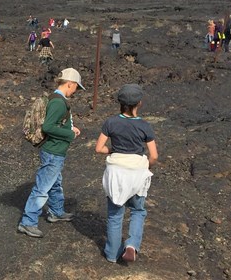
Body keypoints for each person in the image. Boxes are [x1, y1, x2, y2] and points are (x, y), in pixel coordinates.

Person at [17, 68, 85, 238]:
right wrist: (69, 134)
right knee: (42, 188)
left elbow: (56, 123)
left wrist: (70, 127)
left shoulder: (56, 99)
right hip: (53, 151)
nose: (76, 91)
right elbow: (48, 126)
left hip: (55, 151)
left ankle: (56, 211)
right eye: (76, 87)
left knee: (55, 182)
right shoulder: (58, 102)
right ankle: (28, 222)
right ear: (70, 84)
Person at [95, 84, 158, 263]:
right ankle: (131, 245)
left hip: (116, 173)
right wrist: (148, 166)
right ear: (139, 103)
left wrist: (114, 151)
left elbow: (99, 148)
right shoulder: (145, 126)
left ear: (120, 103)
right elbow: (154, 155)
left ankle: (112, 254)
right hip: (137, 172)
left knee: (115, 214)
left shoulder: (110, 122)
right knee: (138, 210)